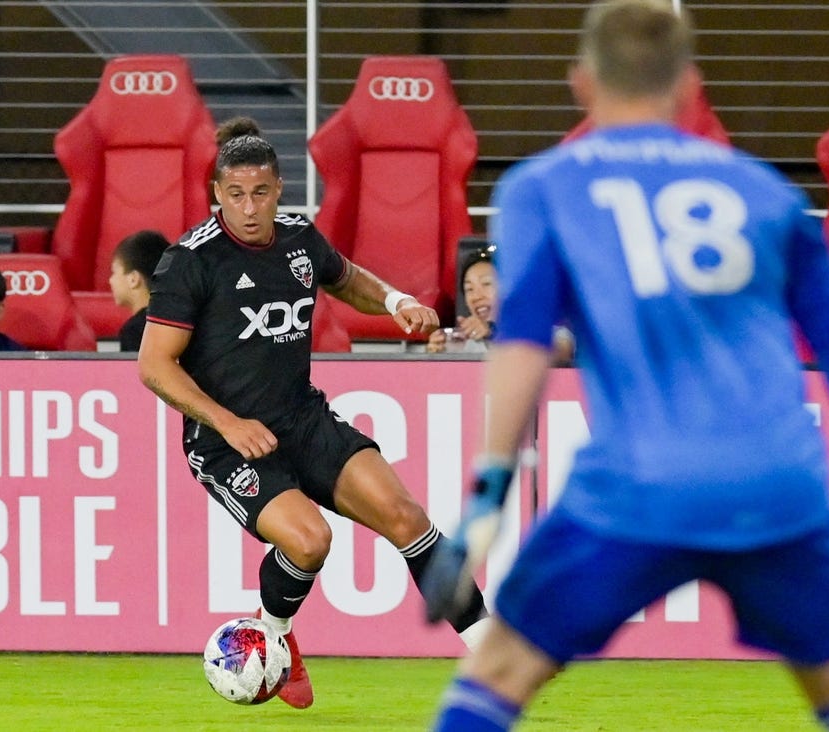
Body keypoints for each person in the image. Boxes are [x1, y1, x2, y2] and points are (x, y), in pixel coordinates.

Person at [422, 2, 829, 730]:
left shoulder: (542, 188)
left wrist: (487, 494)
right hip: (779, 489)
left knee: (495, 676)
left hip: (639, 489)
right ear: (687, 85)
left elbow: (521, 343)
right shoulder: (768, 193)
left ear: (580, 82)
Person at [137, 117, 489, 710]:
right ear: (216, 194)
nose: (249, 208)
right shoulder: (189, 262)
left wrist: (396, 300)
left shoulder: (299, 238)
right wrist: (226, 422)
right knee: (309, 542)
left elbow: (344, 280)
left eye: (261, 193)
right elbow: (154, 365)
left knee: (406, 517)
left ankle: (490, 648)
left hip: (303, 419)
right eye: (235, 194)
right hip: (227, 442)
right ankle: (275, 635)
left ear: (279, 189)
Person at [427, 245, 576, 365]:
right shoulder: (466, 342)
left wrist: (496, 331)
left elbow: (563, 348)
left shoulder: (546, 325)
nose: (476, 296)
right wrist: (438, 356)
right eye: (469, 289)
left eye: (486, 283)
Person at [108, 229, 170, 352]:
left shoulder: (134, 331)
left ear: (133, 279)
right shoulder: (186, 320)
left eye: (114, 273)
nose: (110, 280)